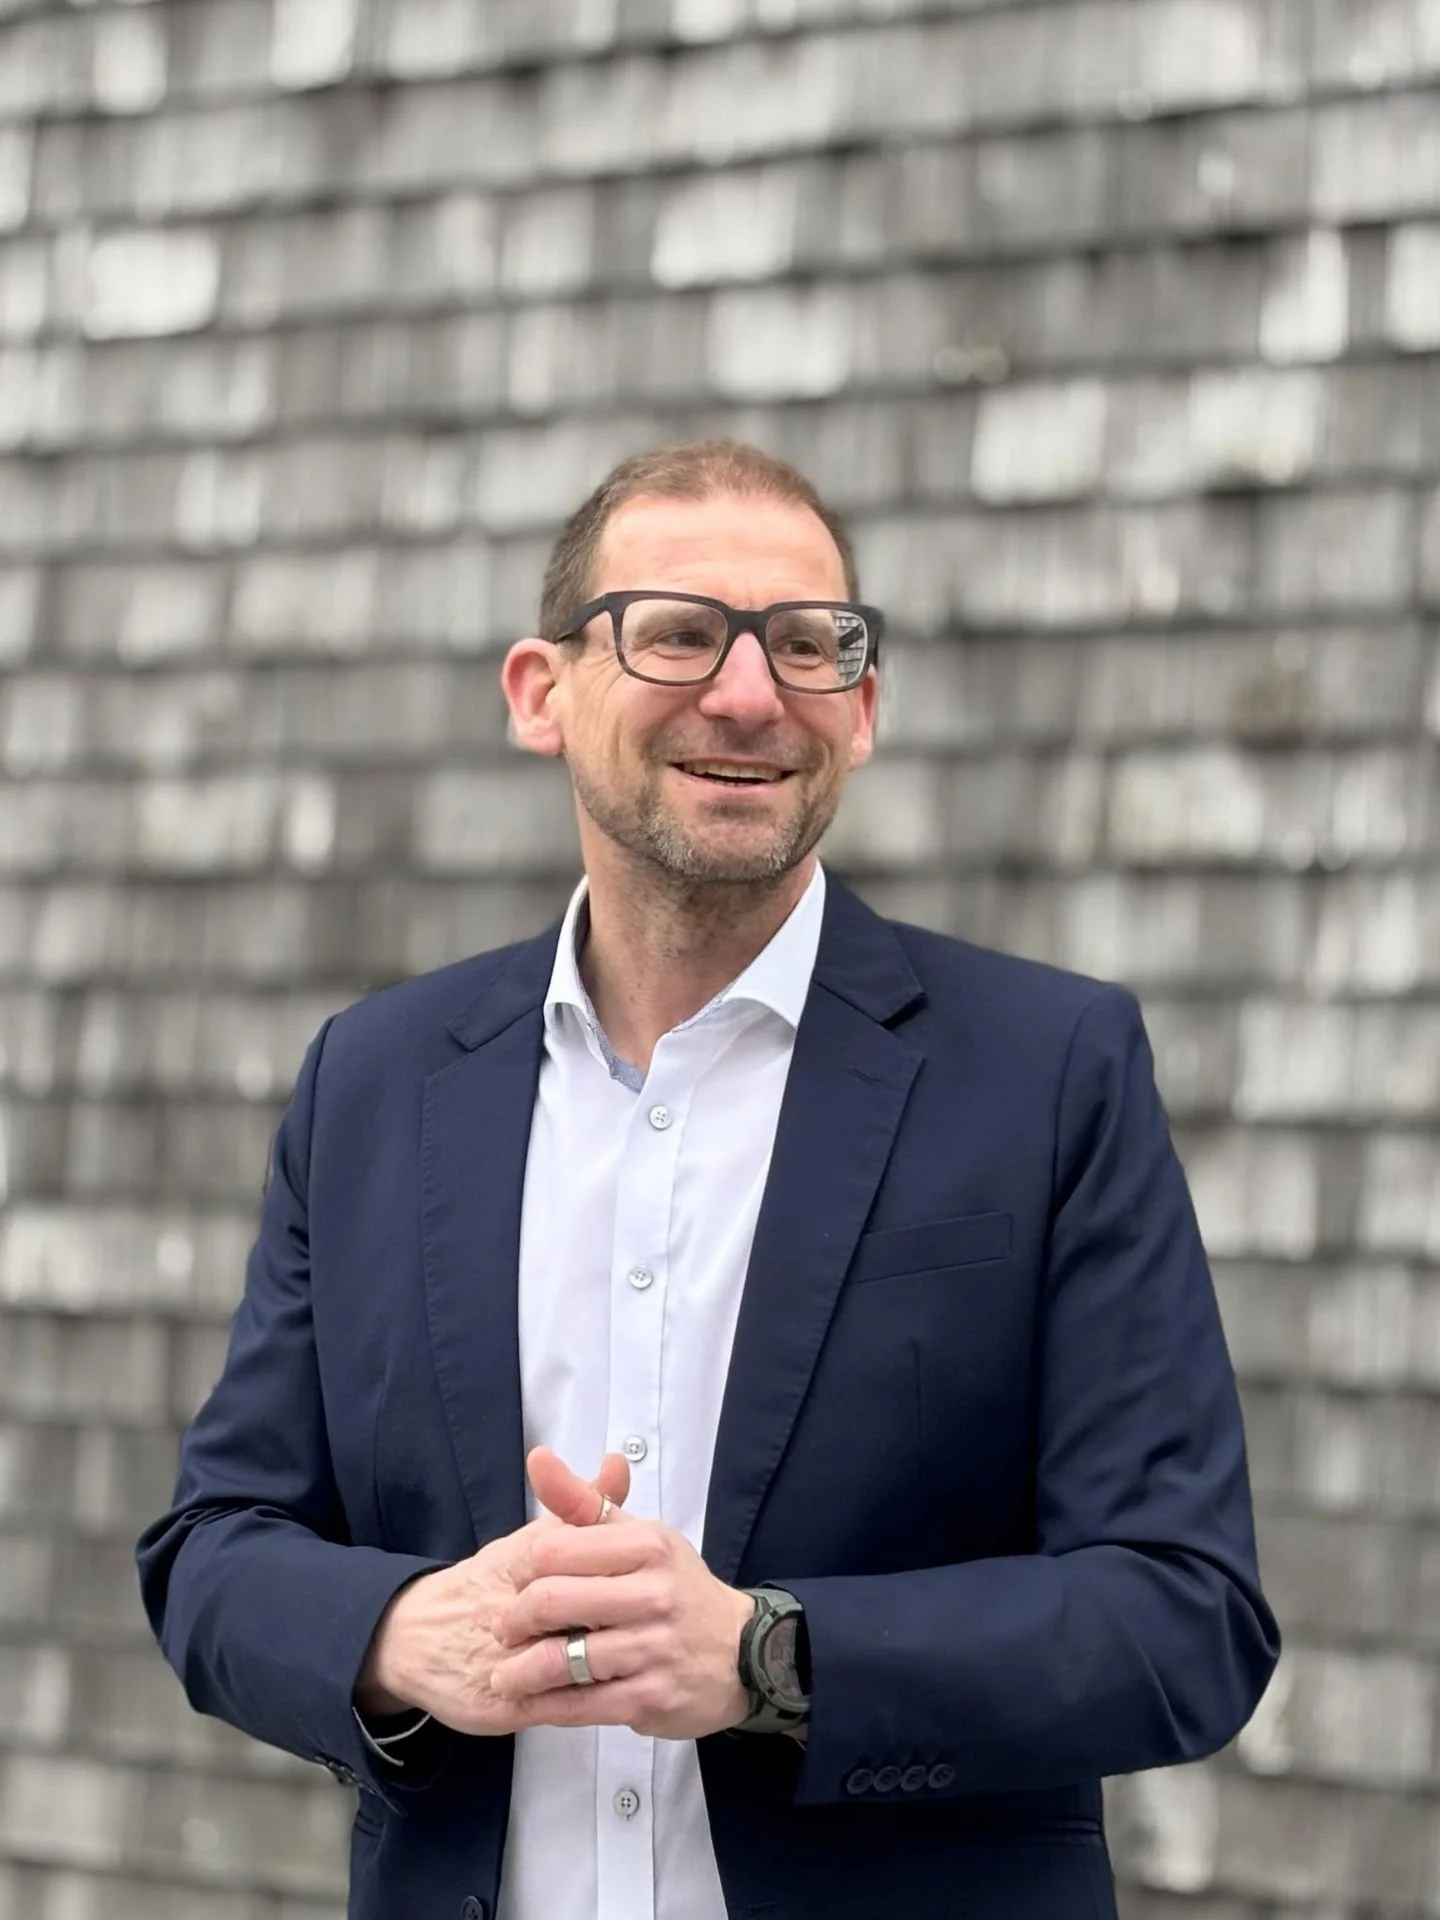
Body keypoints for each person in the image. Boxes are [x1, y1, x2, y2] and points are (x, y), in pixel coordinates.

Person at [137, 439, 1279, 1920]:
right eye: (677, 631)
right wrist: (407, 1631)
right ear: (541, 694)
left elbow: (1185, 1618)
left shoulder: (1052, 1070)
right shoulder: (375, 1078)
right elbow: (215, 1551)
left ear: (861, 713)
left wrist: (768, 1659)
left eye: (808, 646)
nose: (749, 695)